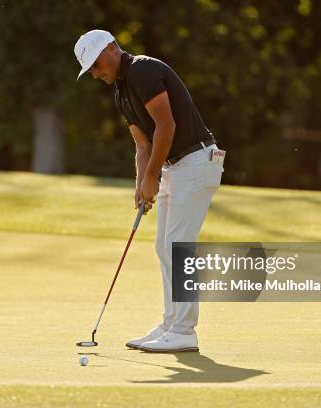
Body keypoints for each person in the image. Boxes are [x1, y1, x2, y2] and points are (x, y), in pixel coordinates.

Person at [74, 29, 225, 352]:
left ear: (112, 48)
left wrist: (153, 176)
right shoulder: (121, 92)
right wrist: (141, 182)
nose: (96, 73)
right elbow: (142, 145)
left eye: (97, 64)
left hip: (197, 160)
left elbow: (166, 126)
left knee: (177, 247)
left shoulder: (142, 70)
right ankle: (171, 323)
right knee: (163, 245)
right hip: (174, 166)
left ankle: (184, 330)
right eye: (90, 70)